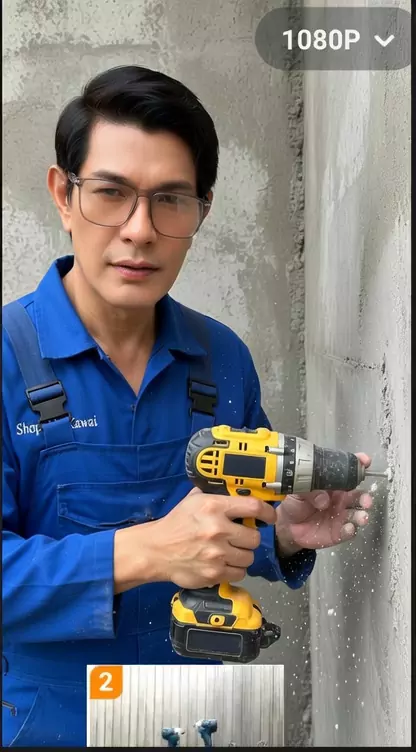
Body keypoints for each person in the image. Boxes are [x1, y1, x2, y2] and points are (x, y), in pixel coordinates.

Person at [2, 65, 373, 747]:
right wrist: (147, 551)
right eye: (111, 193)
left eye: (170, 199)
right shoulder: (4, 358)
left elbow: (227, 533)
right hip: (46, 722)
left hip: (196, 714)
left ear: (202, 210)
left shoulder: (220, 358)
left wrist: (281, 532)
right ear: (63, 194)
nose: (140, 230)